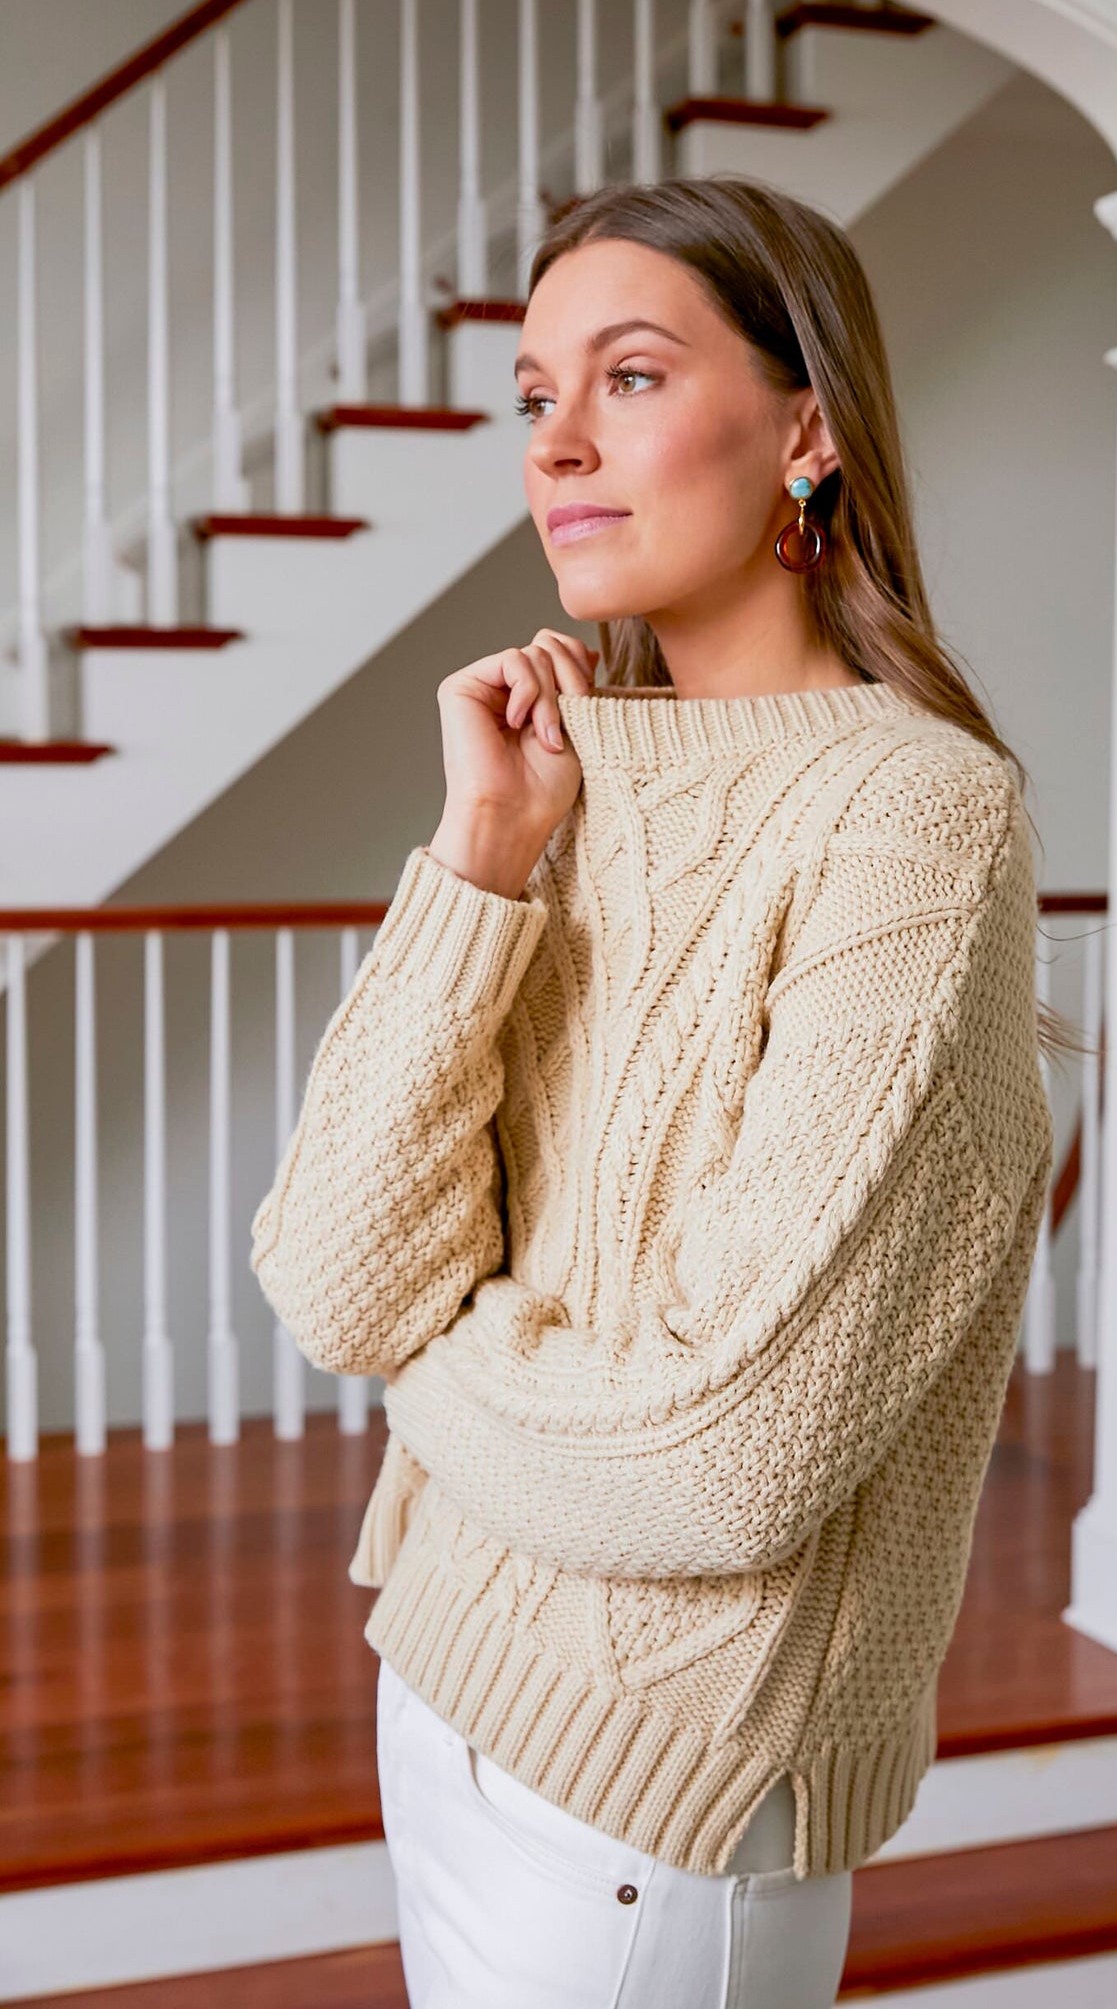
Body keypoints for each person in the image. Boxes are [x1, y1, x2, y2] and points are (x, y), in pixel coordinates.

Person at [250, 174, 1060, 2008]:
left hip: (654, 1800)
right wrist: (477, 863)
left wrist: (436, 1353)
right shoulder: (552, 787)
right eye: (535, 397)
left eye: (627, 375)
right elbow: (328, 1281)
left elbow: (721, 1463)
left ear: (806, 430)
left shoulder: (913, 814)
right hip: (442, 1669)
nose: (558, 443)